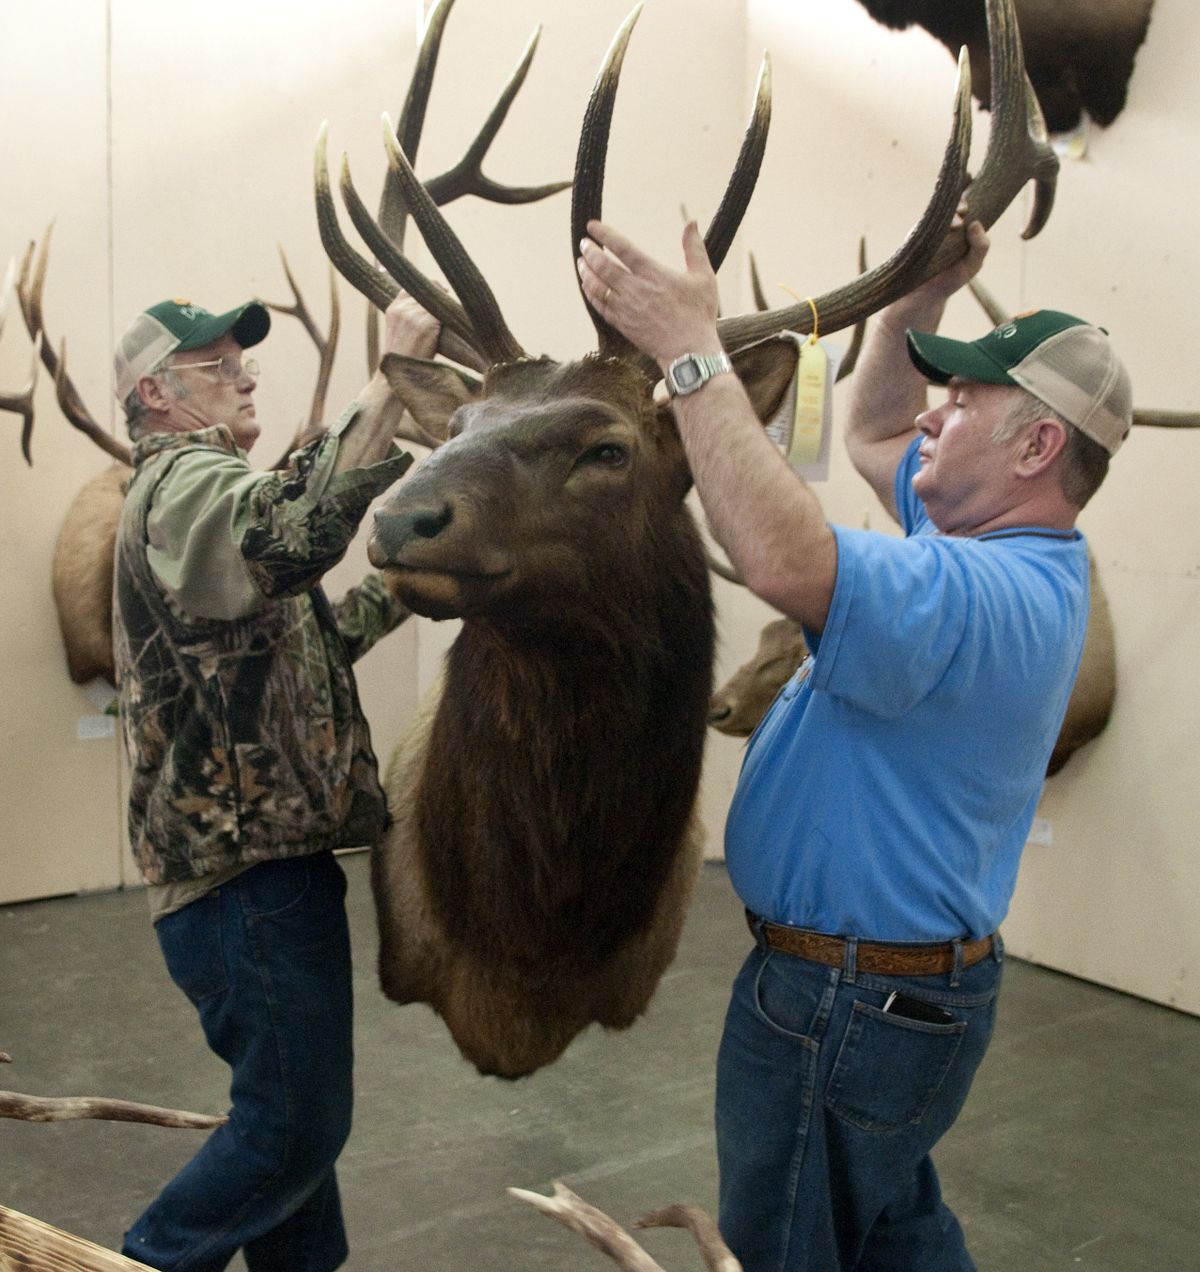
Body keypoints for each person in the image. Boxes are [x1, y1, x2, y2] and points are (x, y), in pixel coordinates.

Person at [576, 217, 1131, 1271]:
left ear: (1037, 446)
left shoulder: (971, 591)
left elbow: (786, 559)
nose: (933, 416)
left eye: (965, 402)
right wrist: (917, 302)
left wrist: (692, 354)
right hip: (889, 999)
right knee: (890, 1235)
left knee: (788, 1250)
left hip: (843, 1009)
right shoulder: (1004, 552)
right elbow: (877, 435)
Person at [111, 289, 439, 1271]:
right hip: (241, 886)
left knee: (298, 1150)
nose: (246, 374)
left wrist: (401, 590)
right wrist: (388, 382)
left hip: (268, 873)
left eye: (240, 361)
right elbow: (285, 534)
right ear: (156, 394)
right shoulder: (182, 490)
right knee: (293, 1130)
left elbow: (303, 646)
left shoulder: (200, 511)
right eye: (218, 366)